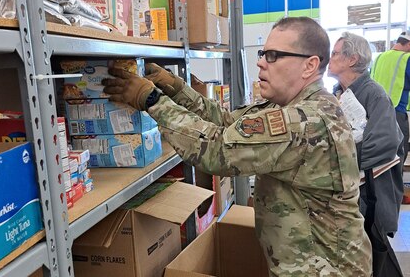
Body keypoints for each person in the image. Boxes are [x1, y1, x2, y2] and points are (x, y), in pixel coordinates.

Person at [102, 17, 372, 276]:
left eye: (273, 56)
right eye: (263, 54)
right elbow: (227, 123)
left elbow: (217, 150)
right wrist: (176, 89)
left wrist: (151, 99)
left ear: (309, 66)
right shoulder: (288, 105)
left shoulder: (306, 120)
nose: (261, 63)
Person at [328, 32, 404, 276]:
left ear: (352, 59)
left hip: (371, 191)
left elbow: (384, 142)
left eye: (335, 53)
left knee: (372, 250)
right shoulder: (337, 92)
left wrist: (337, 161)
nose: (329, 58)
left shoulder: (375, 94)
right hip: (349, 188)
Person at [371, 32, 410, 166]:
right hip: (396, 111)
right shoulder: (406, 58)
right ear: (408, 44)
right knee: (399, 153)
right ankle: (396, 185)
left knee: (381, 154)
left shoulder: (380, 57)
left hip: (375, 112)